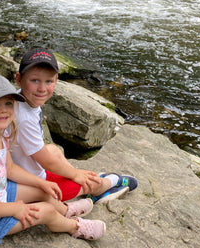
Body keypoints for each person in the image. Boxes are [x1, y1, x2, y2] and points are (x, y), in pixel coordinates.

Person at [0, 74, 106, 244]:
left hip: (0, 194)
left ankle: (65, 210)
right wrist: (17, 208)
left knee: (42, 191)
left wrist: (40, 182)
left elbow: (10, 169)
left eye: (8, 103)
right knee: (46, 211)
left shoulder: (1, 135)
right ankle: (73, 226)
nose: (3, 109)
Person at [10, 48, 138, 203]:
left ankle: (82, 178)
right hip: (28, 183)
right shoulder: (23, 117)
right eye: (35, 80)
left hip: (27, 168)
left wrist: (73, 172)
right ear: (19, 79)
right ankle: (108, 183)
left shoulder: (22, 98)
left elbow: (43, 155)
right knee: (82, 183)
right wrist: (76, 175)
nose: (42, 88)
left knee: (55, 151)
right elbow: (46, 161)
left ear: (56, 80)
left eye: (48, 81)